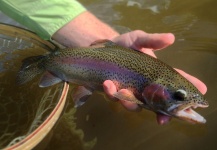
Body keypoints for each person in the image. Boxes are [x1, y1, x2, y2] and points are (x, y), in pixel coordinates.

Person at [0, 0, 207, 124]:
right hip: (62, 61)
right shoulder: (145, 88)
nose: (184, 102)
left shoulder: (154, 82)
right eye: (179, 96)